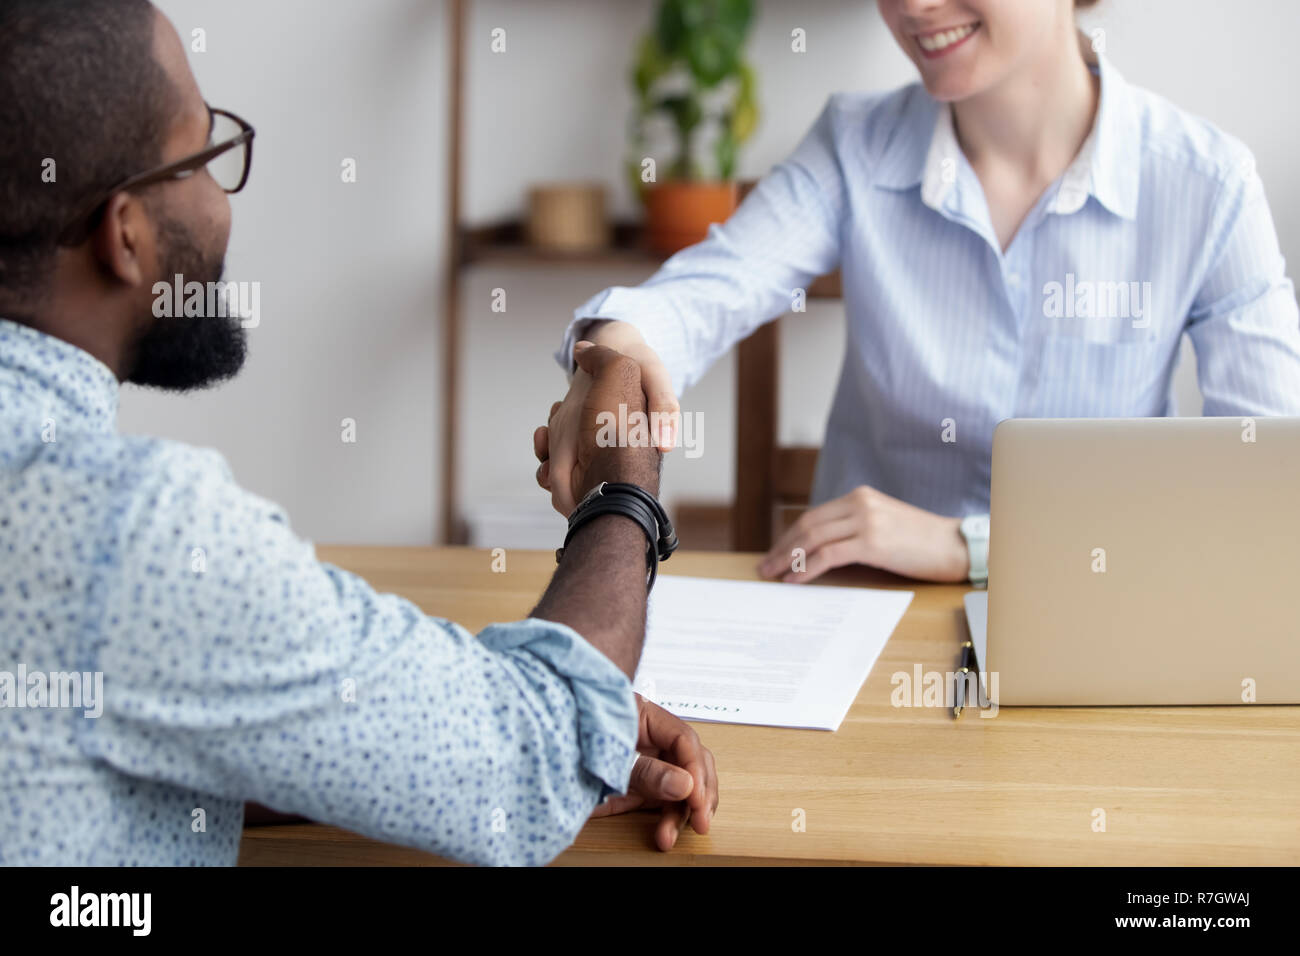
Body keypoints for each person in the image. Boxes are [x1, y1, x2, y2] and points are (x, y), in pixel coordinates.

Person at [0, 0, 716, 866]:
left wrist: (405, 734)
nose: (224, 201)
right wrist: (621, 492)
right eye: (206, 155)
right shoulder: (126, 531)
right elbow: (526, 764)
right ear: (126, 233)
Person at [536, 0, 1300, 586]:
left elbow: (1267, 494)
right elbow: (705, 293)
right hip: (859, 619)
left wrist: (968, 545)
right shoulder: (854, 143)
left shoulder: (1208, 187)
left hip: (1100, 613)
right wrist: (614, 348)